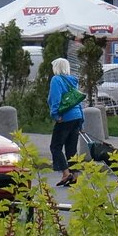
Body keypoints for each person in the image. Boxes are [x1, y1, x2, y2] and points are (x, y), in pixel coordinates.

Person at [46, 57, 85, 187]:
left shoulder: (56, 80)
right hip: (77, 116)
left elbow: (55, 98)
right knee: (71, 148)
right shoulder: (73, 81)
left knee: (55, 146)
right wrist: (81, 121)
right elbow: (77, 100)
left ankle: (65, 173)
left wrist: (55, 115)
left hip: (65, 117)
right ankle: (74, 176)